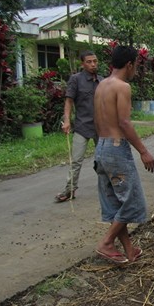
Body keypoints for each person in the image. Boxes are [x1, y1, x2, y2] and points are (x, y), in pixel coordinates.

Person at [93, 45, 154, 264]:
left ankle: (129, 251)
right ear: (129, 64)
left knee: (117, 203)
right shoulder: (122, 87)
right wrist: (144, 151)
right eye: (136, 66)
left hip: (101, 147)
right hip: (116, 148)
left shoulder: (101, 85)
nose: (136, 70)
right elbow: (124, 122)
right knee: (134, 202)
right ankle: (106, 242)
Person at [55, 50, 103, 203]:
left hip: (100, 127)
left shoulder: (102, 81)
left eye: (95, 61)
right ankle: (70, 190)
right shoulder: (76, 79)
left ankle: (107, 188)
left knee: (102, 159)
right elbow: (69, 101)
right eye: (89, 62)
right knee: (76, 160)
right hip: (82, 126)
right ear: (82, 64)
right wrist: (67, 120)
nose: (93, 64)